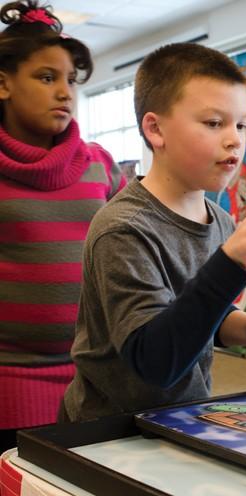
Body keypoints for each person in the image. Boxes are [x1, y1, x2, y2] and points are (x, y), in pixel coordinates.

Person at [60, 42, 246, 423]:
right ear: (156, 129)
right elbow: (155, 360)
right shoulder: (123, 229)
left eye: (241, 124)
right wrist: (228, 262)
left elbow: (201, 317)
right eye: (214, 123)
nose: (235, 139)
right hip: (108, 433)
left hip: (181, 416)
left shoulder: (220, 221)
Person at [0, 0, 125, 456]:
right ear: (3, 84)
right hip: (9, 382)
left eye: (70, 80)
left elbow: (133, 248)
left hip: (94, 377)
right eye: (46, 77)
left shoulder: (101, 166)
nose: (65, 93)